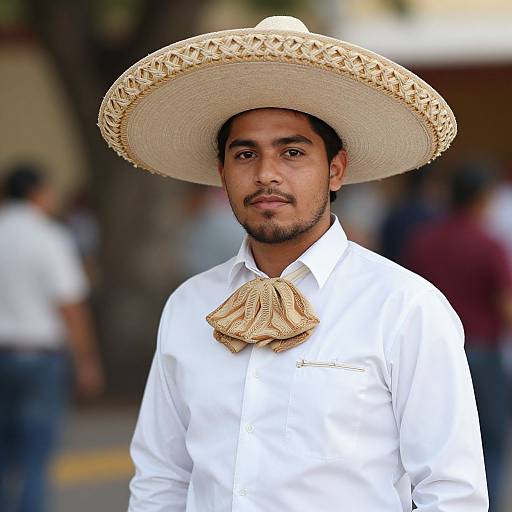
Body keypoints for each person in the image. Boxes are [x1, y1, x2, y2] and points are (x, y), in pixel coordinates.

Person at [98, 15, 487, 511]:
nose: (266, 175)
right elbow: (161, 478)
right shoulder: (188, 304)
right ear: (222, 173)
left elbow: (453, 492)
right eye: (245, 155)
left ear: (336, 169)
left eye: (293, 152)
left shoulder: (405, 306)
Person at [405, 164, 512, 512]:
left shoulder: (424, 240)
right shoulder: (488, 243)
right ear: (482, 199)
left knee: (427, 442)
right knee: (489, 444)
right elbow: (506, 306)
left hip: (428, 352)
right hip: (482, 351)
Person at [0, 165, 104, 512]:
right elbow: (71, 305)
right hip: (41, 357)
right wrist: (87, 361)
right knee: (35, 456)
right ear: (37, 193)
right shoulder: (50, 237)